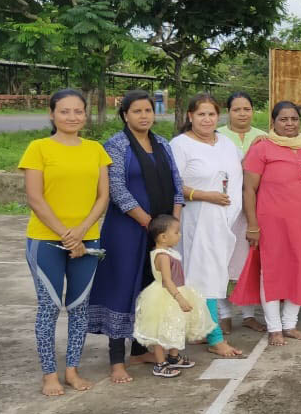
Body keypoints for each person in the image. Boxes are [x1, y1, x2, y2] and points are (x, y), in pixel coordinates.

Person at [19, 89, 111, 396]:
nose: (72, 117)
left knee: (78, 307)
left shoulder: (96, 149)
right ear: (51, 114)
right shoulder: (38, 148)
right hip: (45, 240)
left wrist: (82, 231)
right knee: (48, 307)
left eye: (78, 111)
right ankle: (49, 375)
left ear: (85, 114)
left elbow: (103, 196)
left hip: (87, 240)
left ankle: (71, 370)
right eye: (65, 111)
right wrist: (65, 233)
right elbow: (35, 198)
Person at [89, 90, 185, 383]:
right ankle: (117, 360)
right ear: (125, 115)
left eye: (148, 110)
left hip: (161, 233)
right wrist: (148, 222)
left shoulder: (163, 144)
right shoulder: (116, 145)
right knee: (122, 287)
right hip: (127, 230)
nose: (144, 116)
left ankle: (142, 349)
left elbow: (177, 184)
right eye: (137, 111)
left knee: (152, 289)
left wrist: (172, 225)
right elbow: (116, 189)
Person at [232, 101, 301, 346]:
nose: (289, 124)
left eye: (294, 119)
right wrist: (253, 225)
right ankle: (274, 327)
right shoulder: (262, 149)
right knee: (273, 273)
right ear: (273, 123)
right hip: (272, 224)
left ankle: (290, 323)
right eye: (283, 119)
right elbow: (249, 190)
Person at [169, 93, 245, 358]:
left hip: (223, 220)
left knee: (212, 274)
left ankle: (199, 330)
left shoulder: (226, 143)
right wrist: (203, 195)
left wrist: (228, 209)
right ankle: (215, 337)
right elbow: (172, 183)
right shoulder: (180, 145)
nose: (206, 119)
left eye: (211, 114)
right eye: (200, 114)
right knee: (203, 276)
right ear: (190, 116)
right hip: (195, 218)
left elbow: (236, 177)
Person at [132, 215, 217, 378]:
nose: (180, 235)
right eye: (176, 232)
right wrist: (179, 297)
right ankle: (160, 363)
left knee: (177, 326)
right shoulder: (162, 256)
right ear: (163, 237)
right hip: (165, 295)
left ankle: (173, 356)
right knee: (160, 330)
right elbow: (166, 280)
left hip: (176, 291)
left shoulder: (169, 252)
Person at [216, 91, 266, 334]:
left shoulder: (264, 137)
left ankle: (248, 314)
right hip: (224, 206)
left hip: (254, 208)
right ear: (228, 112)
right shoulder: (217, 137)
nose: (242, 114)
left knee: (249, 261)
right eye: (237, 109)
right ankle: (223, 314)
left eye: (246, 109)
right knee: (223, 261)